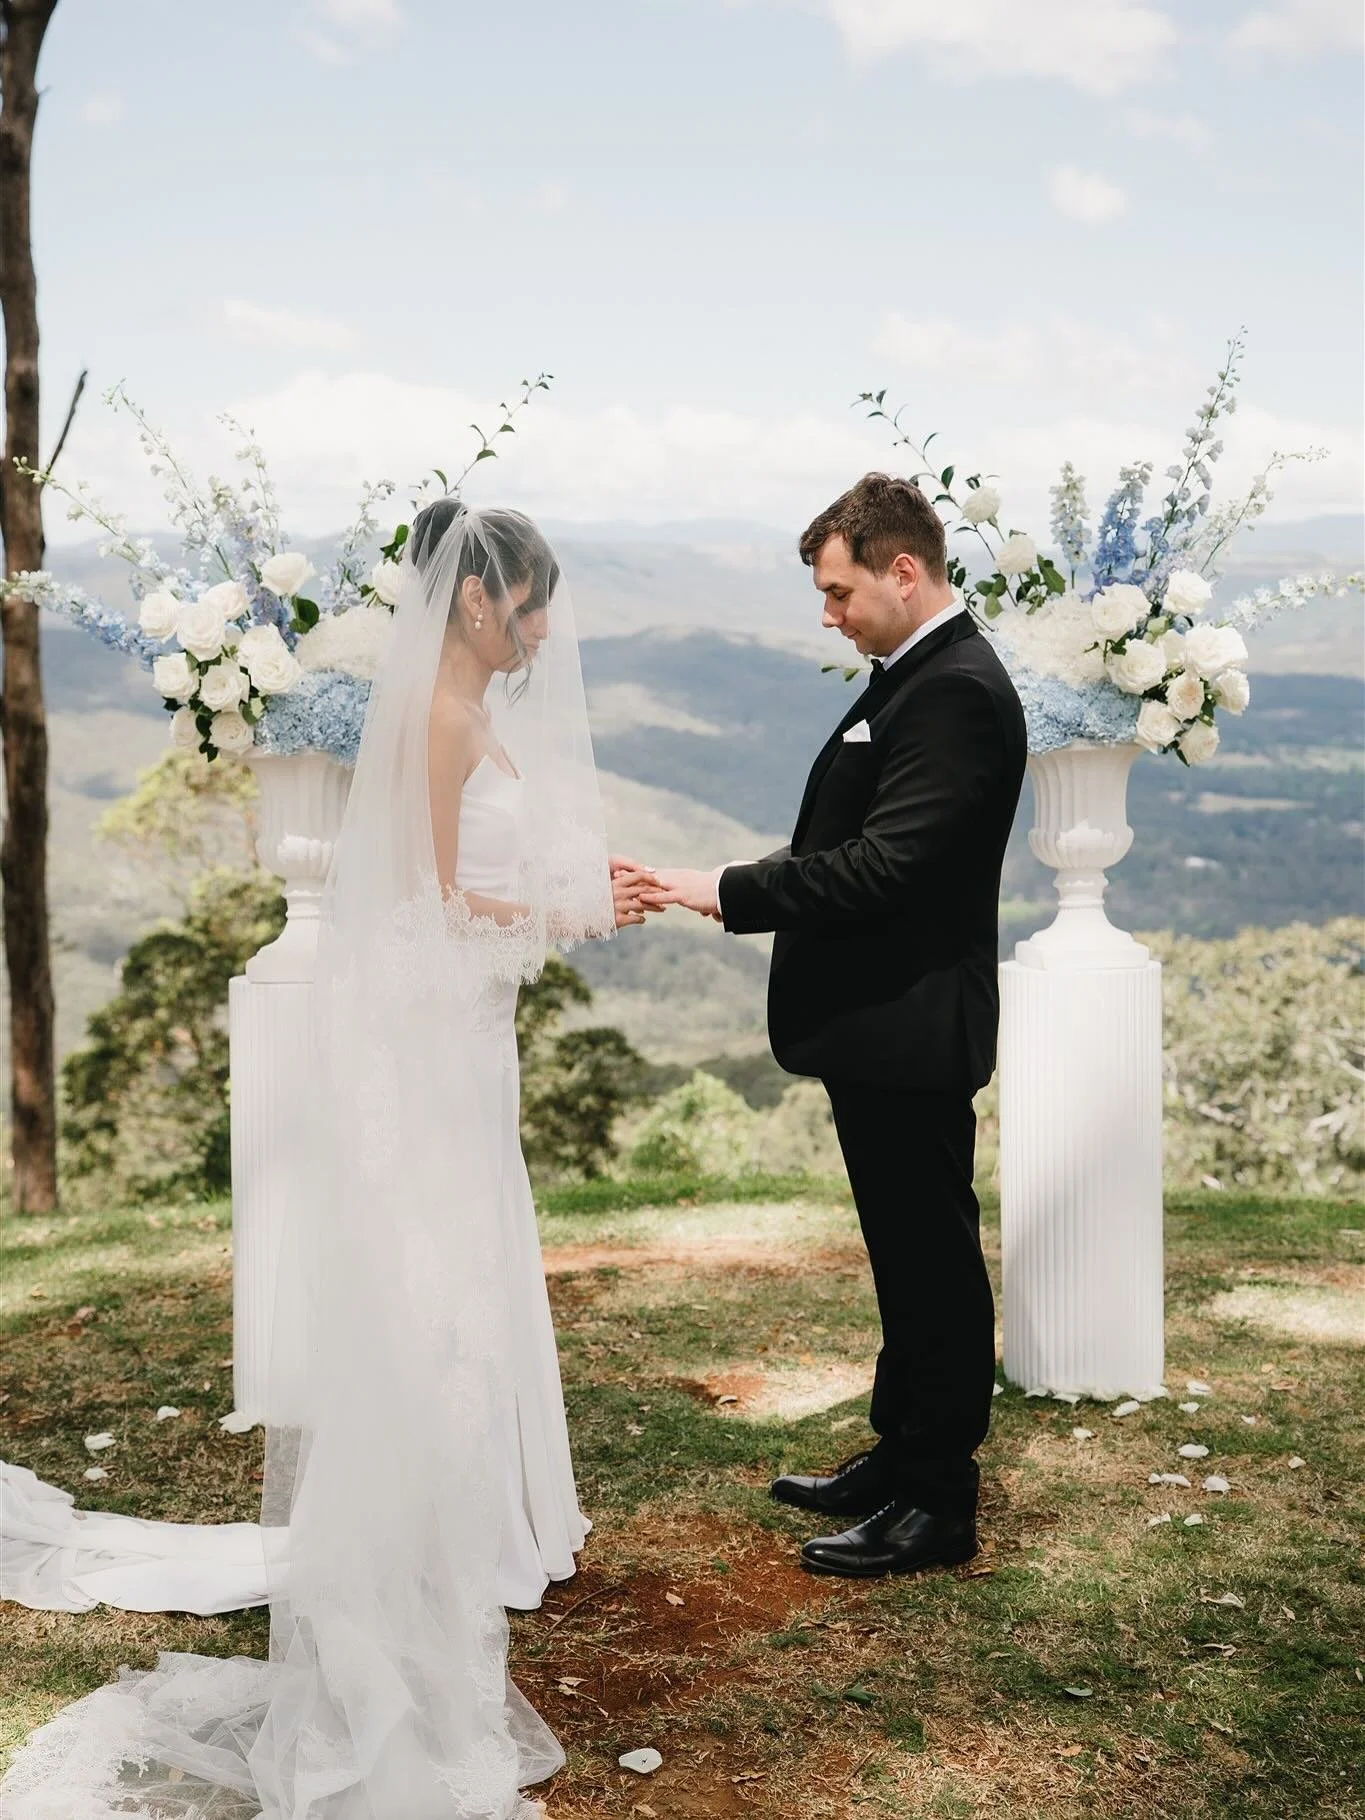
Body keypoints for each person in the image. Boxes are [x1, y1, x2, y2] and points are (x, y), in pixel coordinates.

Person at [0, 504, 654, 1817]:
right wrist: (569, 907)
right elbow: (417, 905)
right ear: (473, 604)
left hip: (468, 1047)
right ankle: (415, 1573)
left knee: (457, 1297)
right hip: (429, 1056)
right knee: (434, 1305)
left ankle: (452, 1539)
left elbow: (464, 881)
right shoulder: (438, 721)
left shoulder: (470, 722)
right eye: (526, 607)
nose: (538, 632)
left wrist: (574, 888)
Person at [645, 472, 1026, 1580]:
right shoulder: (911, 672)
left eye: (838, 589)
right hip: (878, 1026)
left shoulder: (953, 689)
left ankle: (939, 1501)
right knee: (902, 1257)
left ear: (903, 571)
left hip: (911, 1024)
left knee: (933, 1265)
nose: (829, 613)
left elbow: (887, 866)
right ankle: (898, 1454)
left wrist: (721, 886)